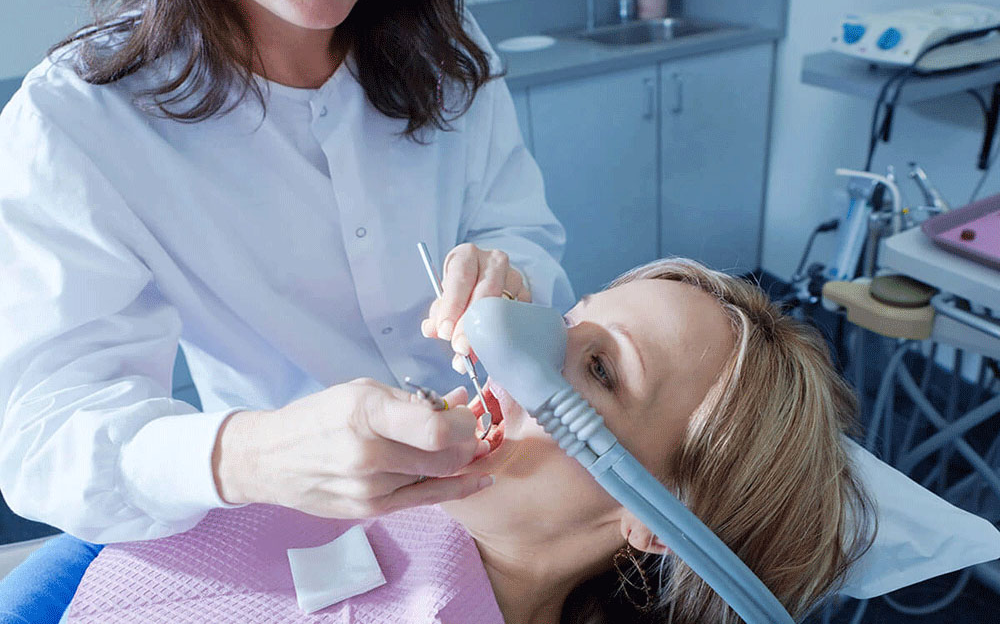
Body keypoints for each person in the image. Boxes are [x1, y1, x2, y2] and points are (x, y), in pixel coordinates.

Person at [0, 0, 573, 551]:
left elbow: (520, 233)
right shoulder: (78, 122)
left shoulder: (442, 46)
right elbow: (44, 436)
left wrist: (508, 282)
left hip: (506, 497)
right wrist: (253, 455)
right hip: (295, 531)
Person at [63, 259, 876, 624]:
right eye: (567, 317)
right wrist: (242, 456)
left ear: (657, 522)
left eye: (597, 369)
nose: (503, 332)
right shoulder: (336, 474)